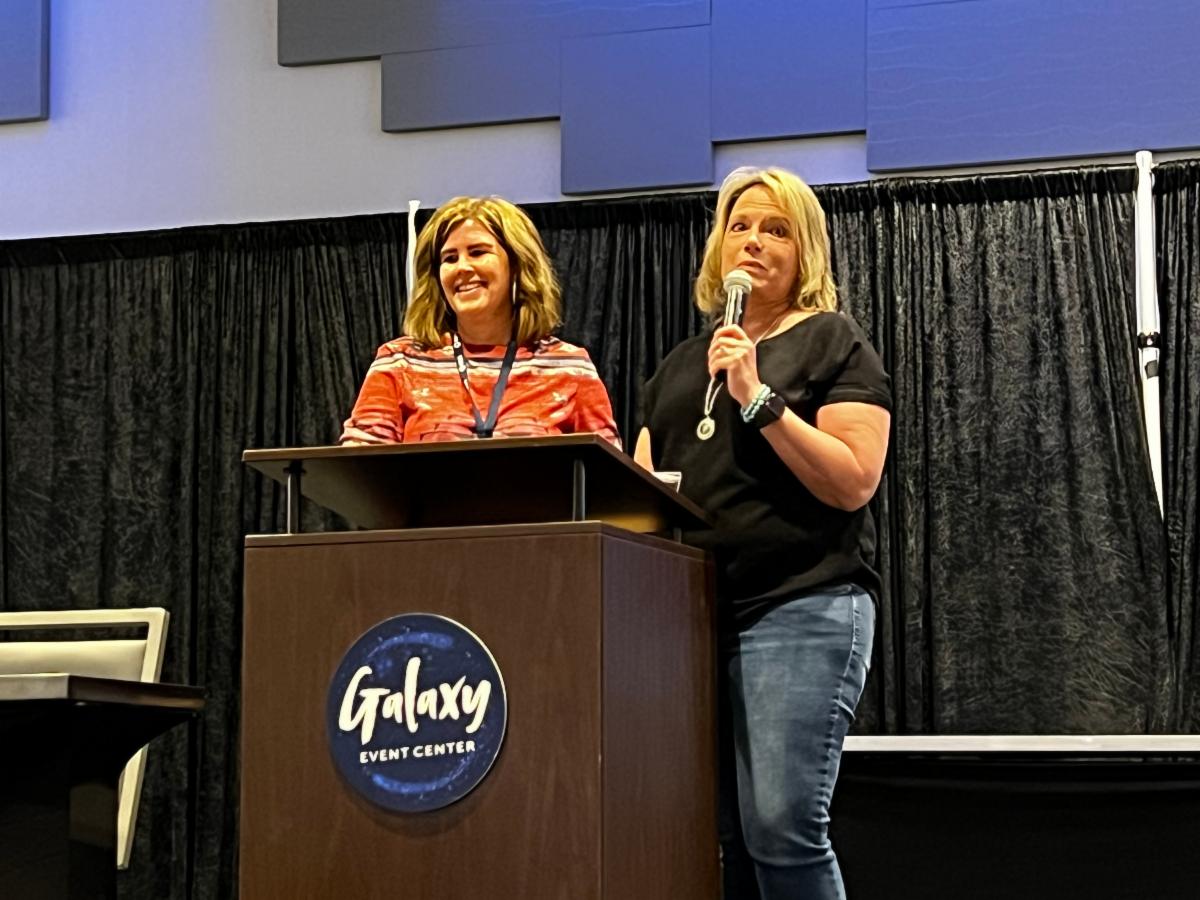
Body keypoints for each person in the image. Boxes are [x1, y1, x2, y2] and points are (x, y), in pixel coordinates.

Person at [635, 167, 892, 899]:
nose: (752, 241)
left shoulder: (831, 341)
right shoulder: (678, 367)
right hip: (691, 624)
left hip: (801, 604)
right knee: (722, 837)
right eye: (739, 226)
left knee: (781, 827)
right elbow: (643, 497)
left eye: (776, 229)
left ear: (804, 252)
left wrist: (756, 396)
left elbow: (853, 480)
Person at [340, 196, 620, 446]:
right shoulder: (400, 362)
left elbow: (607, 479)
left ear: (517, 265)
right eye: (450, 258)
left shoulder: (570, 367)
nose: (462, 267)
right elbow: (359, 470)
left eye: (477, 252)